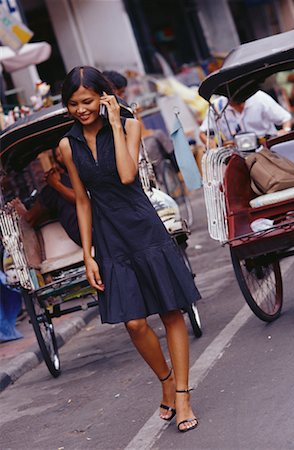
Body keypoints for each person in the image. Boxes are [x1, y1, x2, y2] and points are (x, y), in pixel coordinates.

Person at [59, 66, 200, 433]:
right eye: (73, 104)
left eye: (88, 101)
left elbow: (125, 174)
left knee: (171, 311)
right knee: (134, 322)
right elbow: (83, 202)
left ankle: (183, 395)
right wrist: (88, 254)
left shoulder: (130, 125)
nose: (81, 109)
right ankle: (166, 380)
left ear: (103, 97)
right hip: (109, 238)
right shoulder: (66, 145)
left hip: (143, 227)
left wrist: (117, 123)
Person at [11, 146, 81, 247]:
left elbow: (81, 200)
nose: (61, 157)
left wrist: (55, 184)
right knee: (58, 191)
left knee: (56, 189)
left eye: (63, 152)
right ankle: (30, 218)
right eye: (58, 155)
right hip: (88, 228)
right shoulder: (71, 177)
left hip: (92, 230)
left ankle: (29, 217)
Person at [199, 89, 292, 148]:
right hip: (236, 151)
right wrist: (211, 144)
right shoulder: (217, 106)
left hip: (265, 145)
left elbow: (285, 118)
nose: (239, 105)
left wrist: (285, 130)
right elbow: (203, 133)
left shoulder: (259, 97)